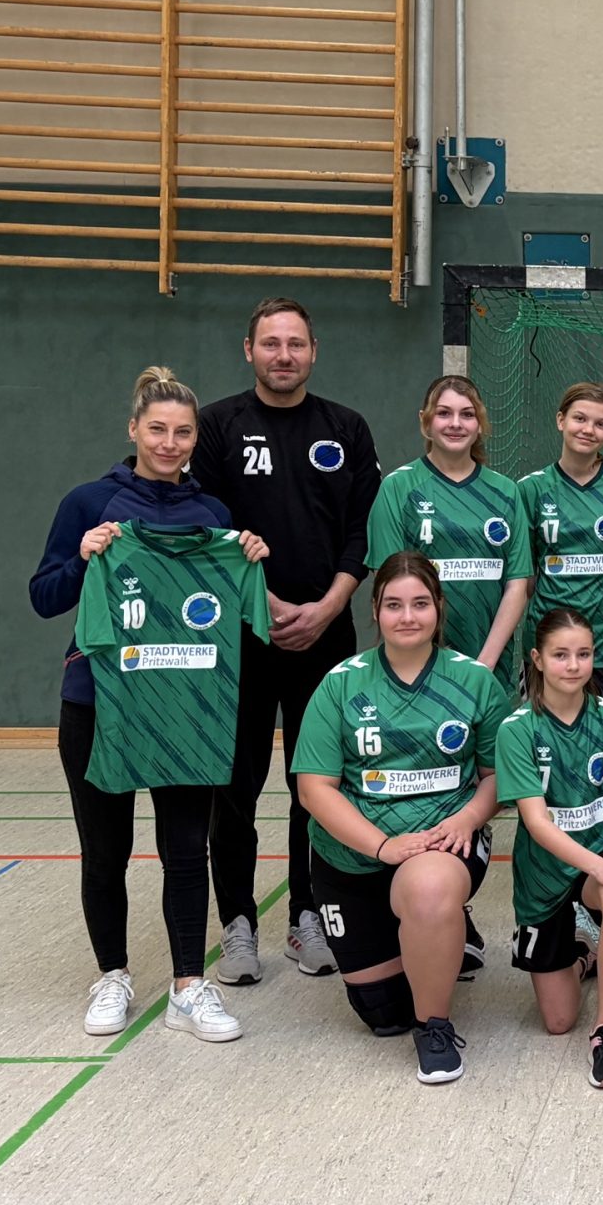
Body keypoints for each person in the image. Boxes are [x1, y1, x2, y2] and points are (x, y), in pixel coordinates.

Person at [30, 366, 268, 1043]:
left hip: (187, 706)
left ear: (197, 438)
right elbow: (44, 596)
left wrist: (246, 554)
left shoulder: (213, 517)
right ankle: (112, 975)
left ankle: (189, 988)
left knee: (186, 849)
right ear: (134, 429)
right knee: (104, 851)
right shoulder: (88, 502)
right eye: (157, 429)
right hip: (99, 703)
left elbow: (244, 616)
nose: (170, 442)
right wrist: (82, 557)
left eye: (183, 432)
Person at [195, 297, 381, 983]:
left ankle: (310, 917)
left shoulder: (347, 428)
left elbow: (364, 531)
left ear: (314, 350)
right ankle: (237, 925)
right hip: (242, 638)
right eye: (270, 343)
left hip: (328, 636)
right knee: (235, 784)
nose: (283, 355)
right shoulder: (216, 427)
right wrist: (264, 603)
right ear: (249, 351)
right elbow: (209, 529)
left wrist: (331, 604)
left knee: (319, 782)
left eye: (295, 343)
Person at [291, 555, 509, 1085]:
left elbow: (497, 775)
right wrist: (383, 845)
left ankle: (434, 1025)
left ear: (439, 608)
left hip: (440, 845)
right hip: (356, 856)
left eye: (419, 603)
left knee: (430, 892)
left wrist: (470, 818)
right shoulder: (341, 684)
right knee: (380, 1013)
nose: (407, 616)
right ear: (375, 611)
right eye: (393, 605)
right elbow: (313, 788)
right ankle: (437, 941)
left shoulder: (475, 681)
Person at [492, 607, 603, 1090]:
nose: (573, 665)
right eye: (561, 655)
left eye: (583, 654)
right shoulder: (517, 729)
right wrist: (597, 869)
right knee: (557, 1020)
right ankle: (585, 953)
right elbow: (537, 823)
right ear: (538, 660)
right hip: (545, 875)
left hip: (600, 857)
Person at [367, 374, 533, 677]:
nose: (455, 423)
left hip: (491, 666)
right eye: (444, 413)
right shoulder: (397, 488)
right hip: (417, 666)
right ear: (425, 420)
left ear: (480, 423)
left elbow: (517, 585)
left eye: (467, 414)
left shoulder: (507, 492)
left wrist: (485, 663)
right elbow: (388, 584)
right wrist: (423, 658)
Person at [519, 382, 603, 704]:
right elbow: (525, 575)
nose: (588, 429)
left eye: (600, 423)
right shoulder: (530, 490)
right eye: (580, 418)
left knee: (601, 741)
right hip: (547, 639)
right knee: (544, 742)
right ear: (561, 420)